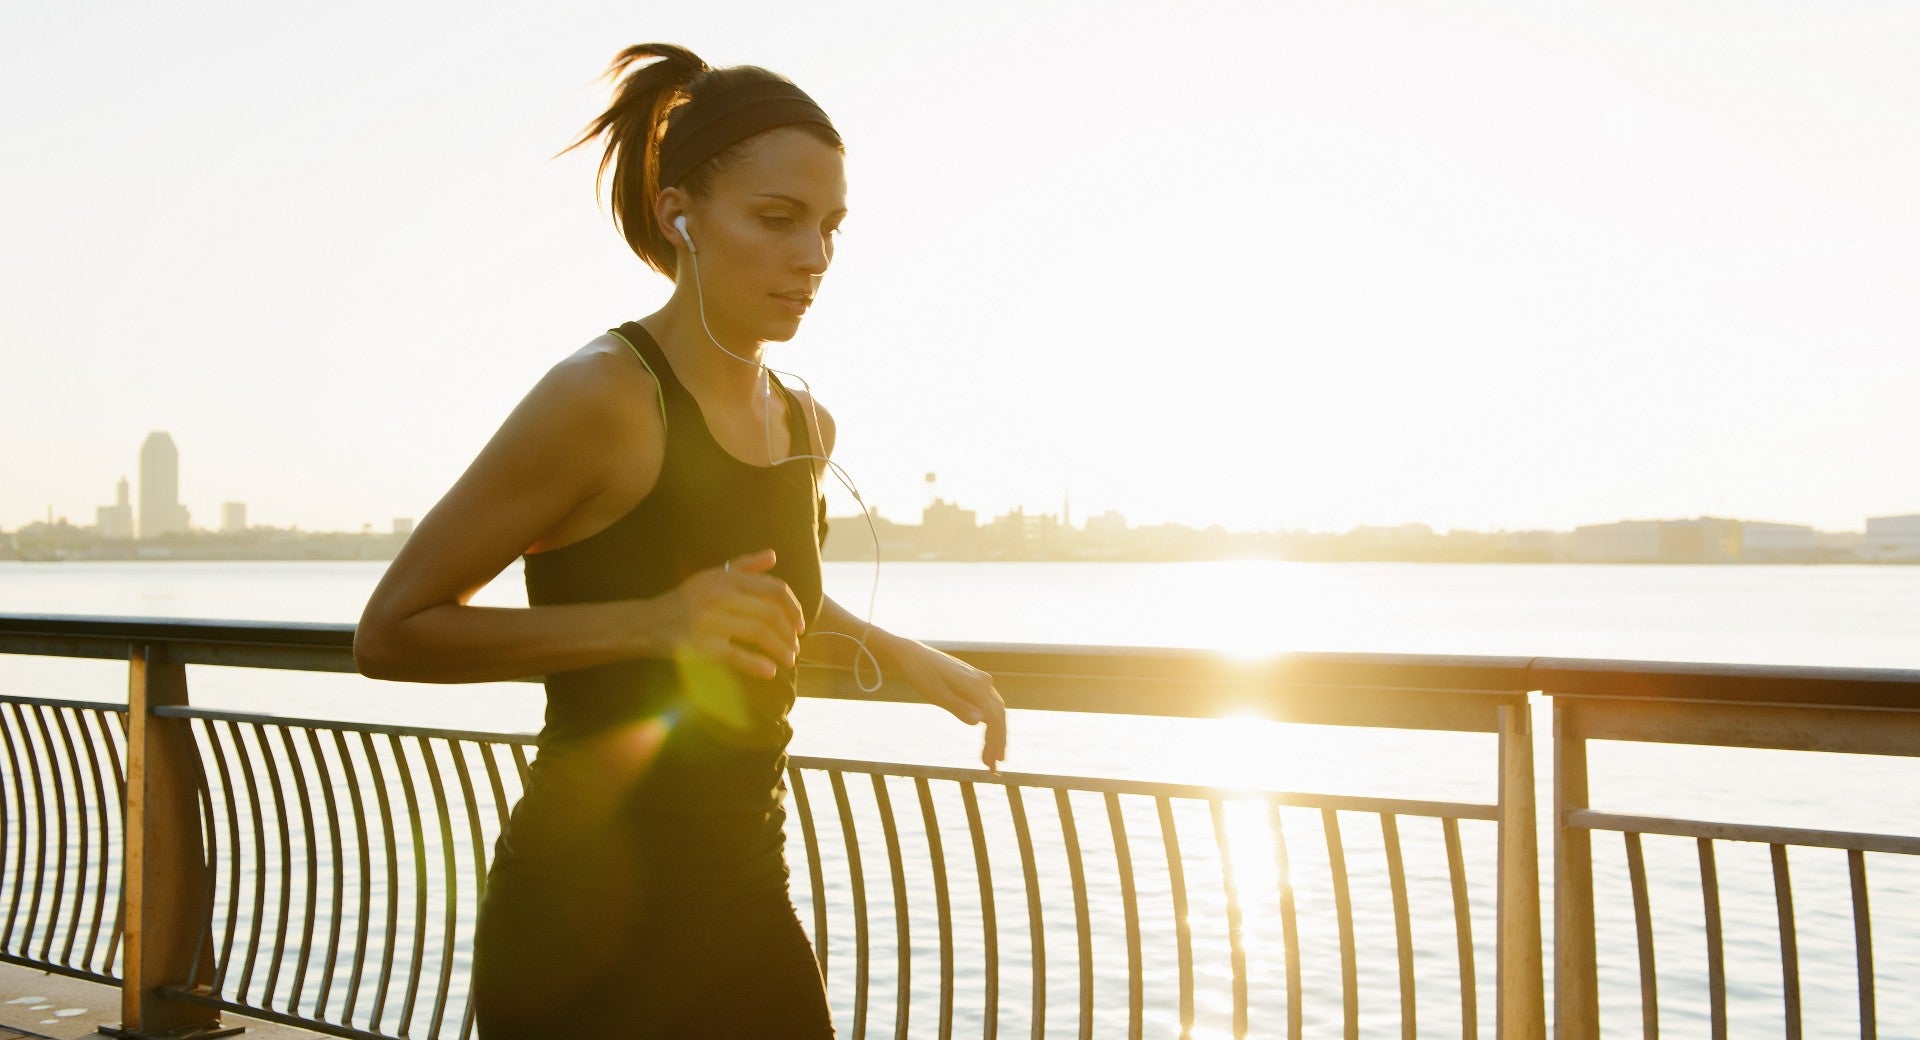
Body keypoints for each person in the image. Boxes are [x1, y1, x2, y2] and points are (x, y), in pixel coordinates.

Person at [352, 42, 1007, 1038]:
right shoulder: (604, 395)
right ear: (678, 214)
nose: (813, 258)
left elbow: (771, 599)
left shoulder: (805, 423)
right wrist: (657, 623)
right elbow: (392, 631)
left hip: (746, 894)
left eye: (830, 228)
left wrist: (910, 657)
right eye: (778, 220)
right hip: (576, 922)